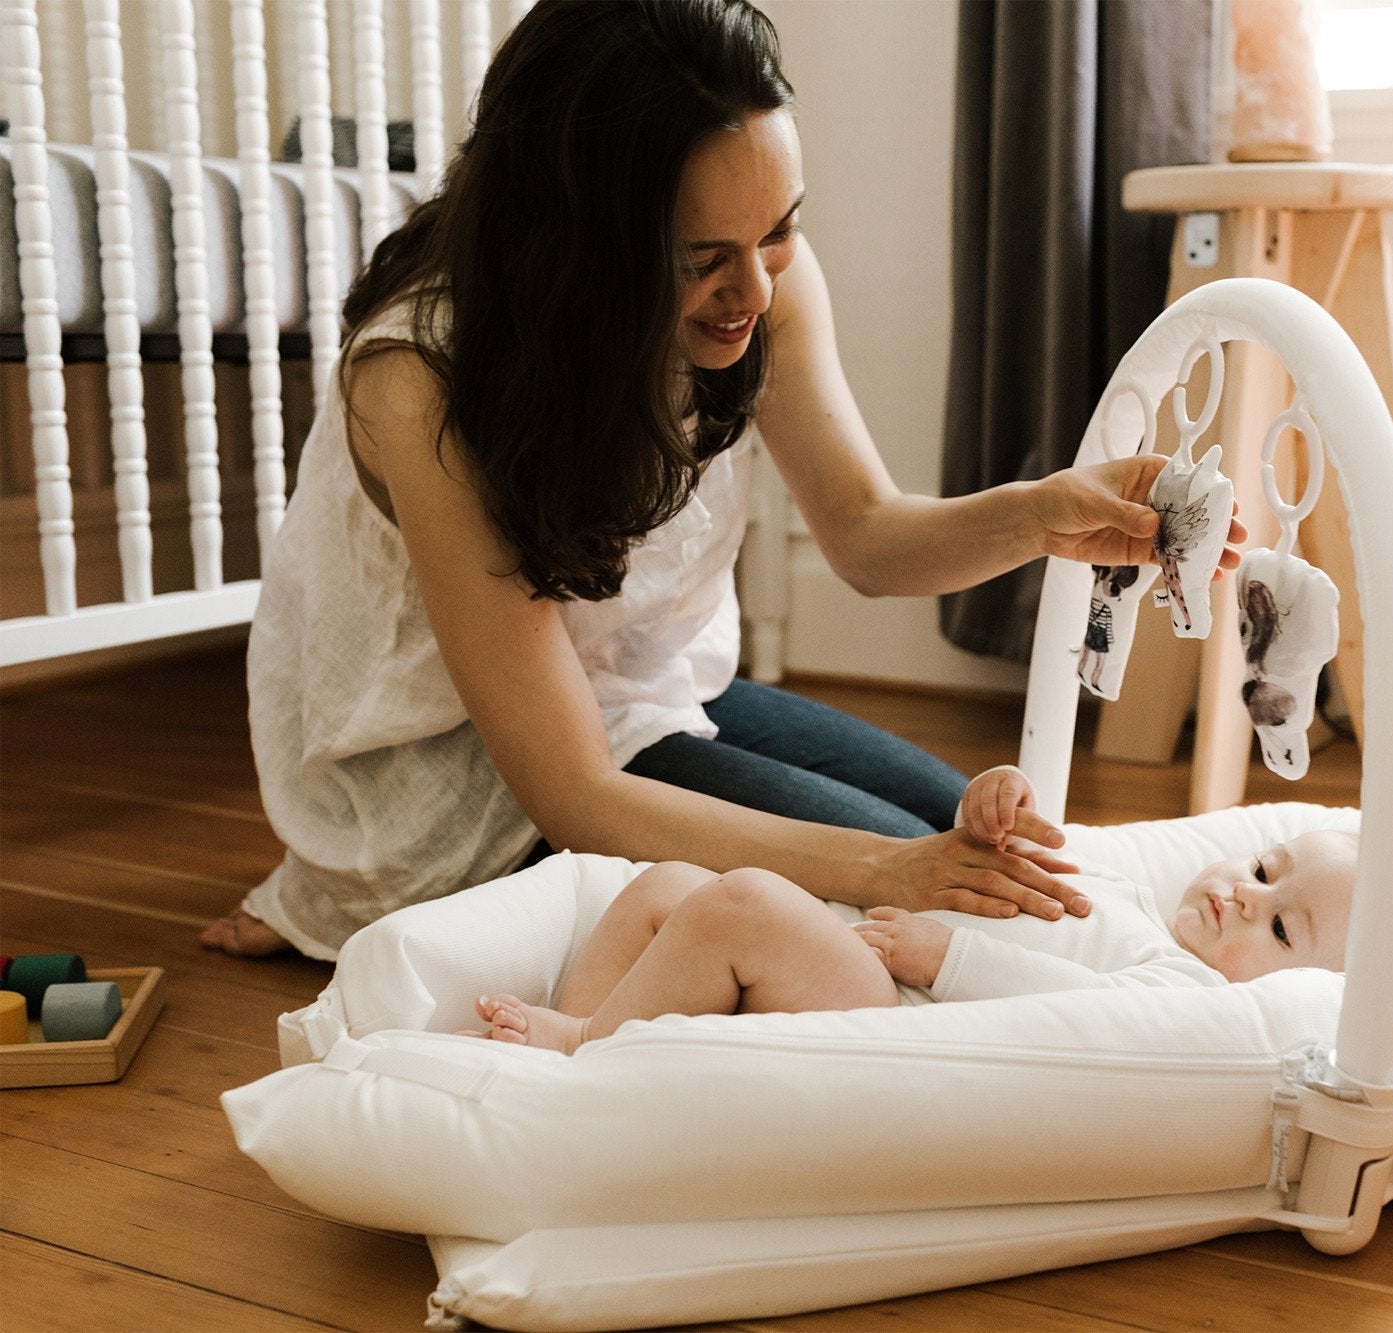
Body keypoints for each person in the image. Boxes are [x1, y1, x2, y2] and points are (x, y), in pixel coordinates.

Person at [203, 0, 1241, 960]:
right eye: (704, 257)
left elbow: (867, 535)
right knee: (944, 907)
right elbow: (573, 791)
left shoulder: (759, 277)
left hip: (633, 698)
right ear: (584, 247)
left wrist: (1043, 511)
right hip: (471, 773)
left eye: (778, 228)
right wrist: (889, 869)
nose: (753, 287)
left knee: (986, 838)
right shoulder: (422, 378)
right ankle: (349, 899)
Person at [466, 764, 1393, 1053]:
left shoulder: (1188, 989)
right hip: (872, 962)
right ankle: (582, 1036)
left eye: (1278, 926)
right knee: (665, 885)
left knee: (743, 905)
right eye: (1267, 867)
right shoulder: (1127, 892)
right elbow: (1006, 870)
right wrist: (990, 813)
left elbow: (1090, 1013)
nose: (1244, 892)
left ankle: (585, 1051)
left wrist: (951, 960)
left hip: (898, 1017)